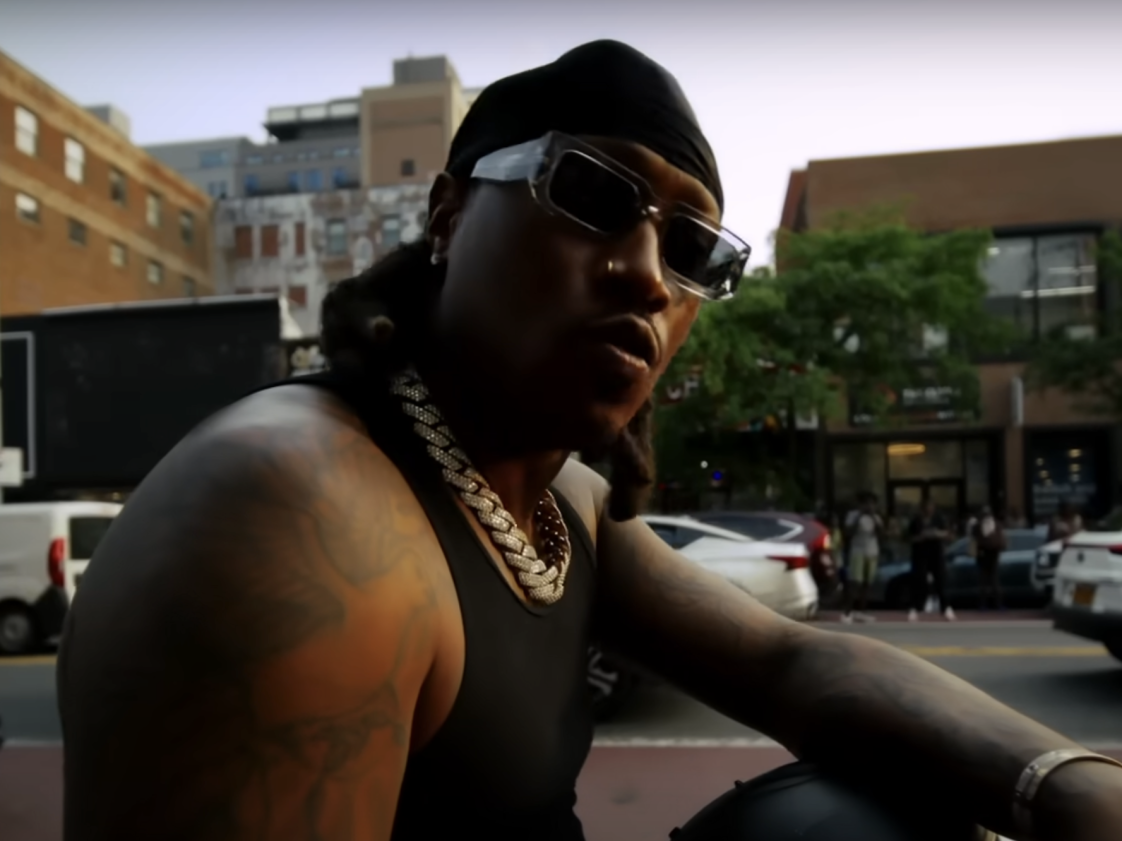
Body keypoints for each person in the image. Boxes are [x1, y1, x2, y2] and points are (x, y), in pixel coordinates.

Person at [56, 41, 1122, 841]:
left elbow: (790, 660)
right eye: (593, 194)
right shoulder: (294, 506)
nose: (650, 275)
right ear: (448, 215)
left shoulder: (550, 501)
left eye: (694, 248)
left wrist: (1066, 786)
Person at [908, 498, 956, 622]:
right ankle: (915, 608)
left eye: (931, 507)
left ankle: (946, 608)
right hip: (920, 555)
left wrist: (938, 534)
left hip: (936, 554)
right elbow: (909, 538)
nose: (929, 510)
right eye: (926, 507)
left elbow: (950, 535)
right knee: (919, 581)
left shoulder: (939, 519)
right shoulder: (916, 521)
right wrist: (921, 536)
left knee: (940, 582)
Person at [843, 494, 883, 623]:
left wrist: (873, 517)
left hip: (872, 552)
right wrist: (859, 516)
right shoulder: (853, 515)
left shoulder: (876, 517)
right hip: (858, 551)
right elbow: (848, 532)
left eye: (872, 504)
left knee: (867, 583)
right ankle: (847, 612)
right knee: (855, 582)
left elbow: (881, 533)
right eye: (867, 503)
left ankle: (861, 611)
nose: (869, 506)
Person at [972, 506, 1007, 610]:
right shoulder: (997, 524)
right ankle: (998, 604)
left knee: (983, 580)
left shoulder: (978, 525)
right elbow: (1001, 539)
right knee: (994, 580)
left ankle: (983, 604)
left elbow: (974, 537)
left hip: (983, 553)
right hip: (994, 553)